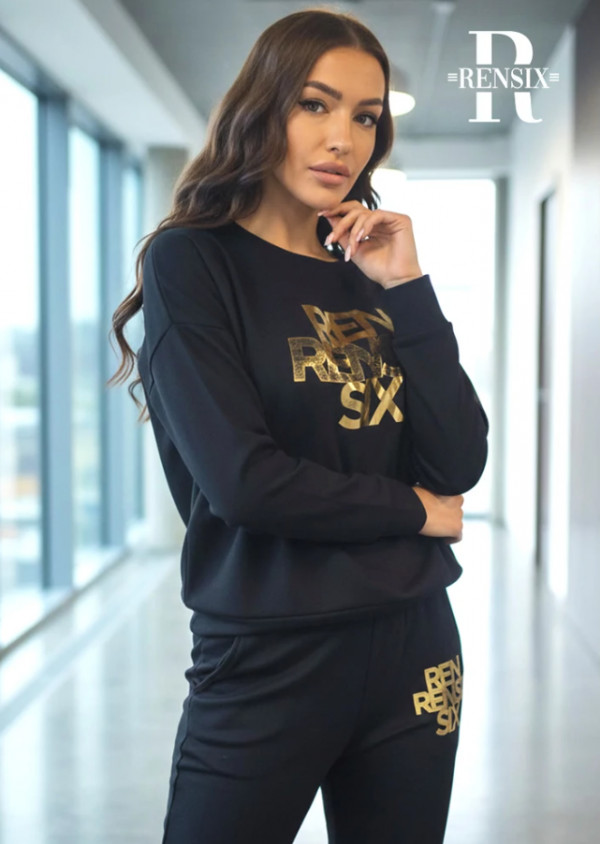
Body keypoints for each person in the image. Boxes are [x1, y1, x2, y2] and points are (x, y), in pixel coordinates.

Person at [108, 7, 489, 843]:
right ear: (263, 108)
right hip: (268, 654)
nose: (342, 139)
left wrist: (407, 289)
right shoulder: (193, 262)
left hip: (415, 646)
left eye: (366, 116)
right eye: (315, 104)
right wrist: (411, 511)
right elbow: (246, 483)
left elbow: (459, 459)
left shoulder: (370, 269)